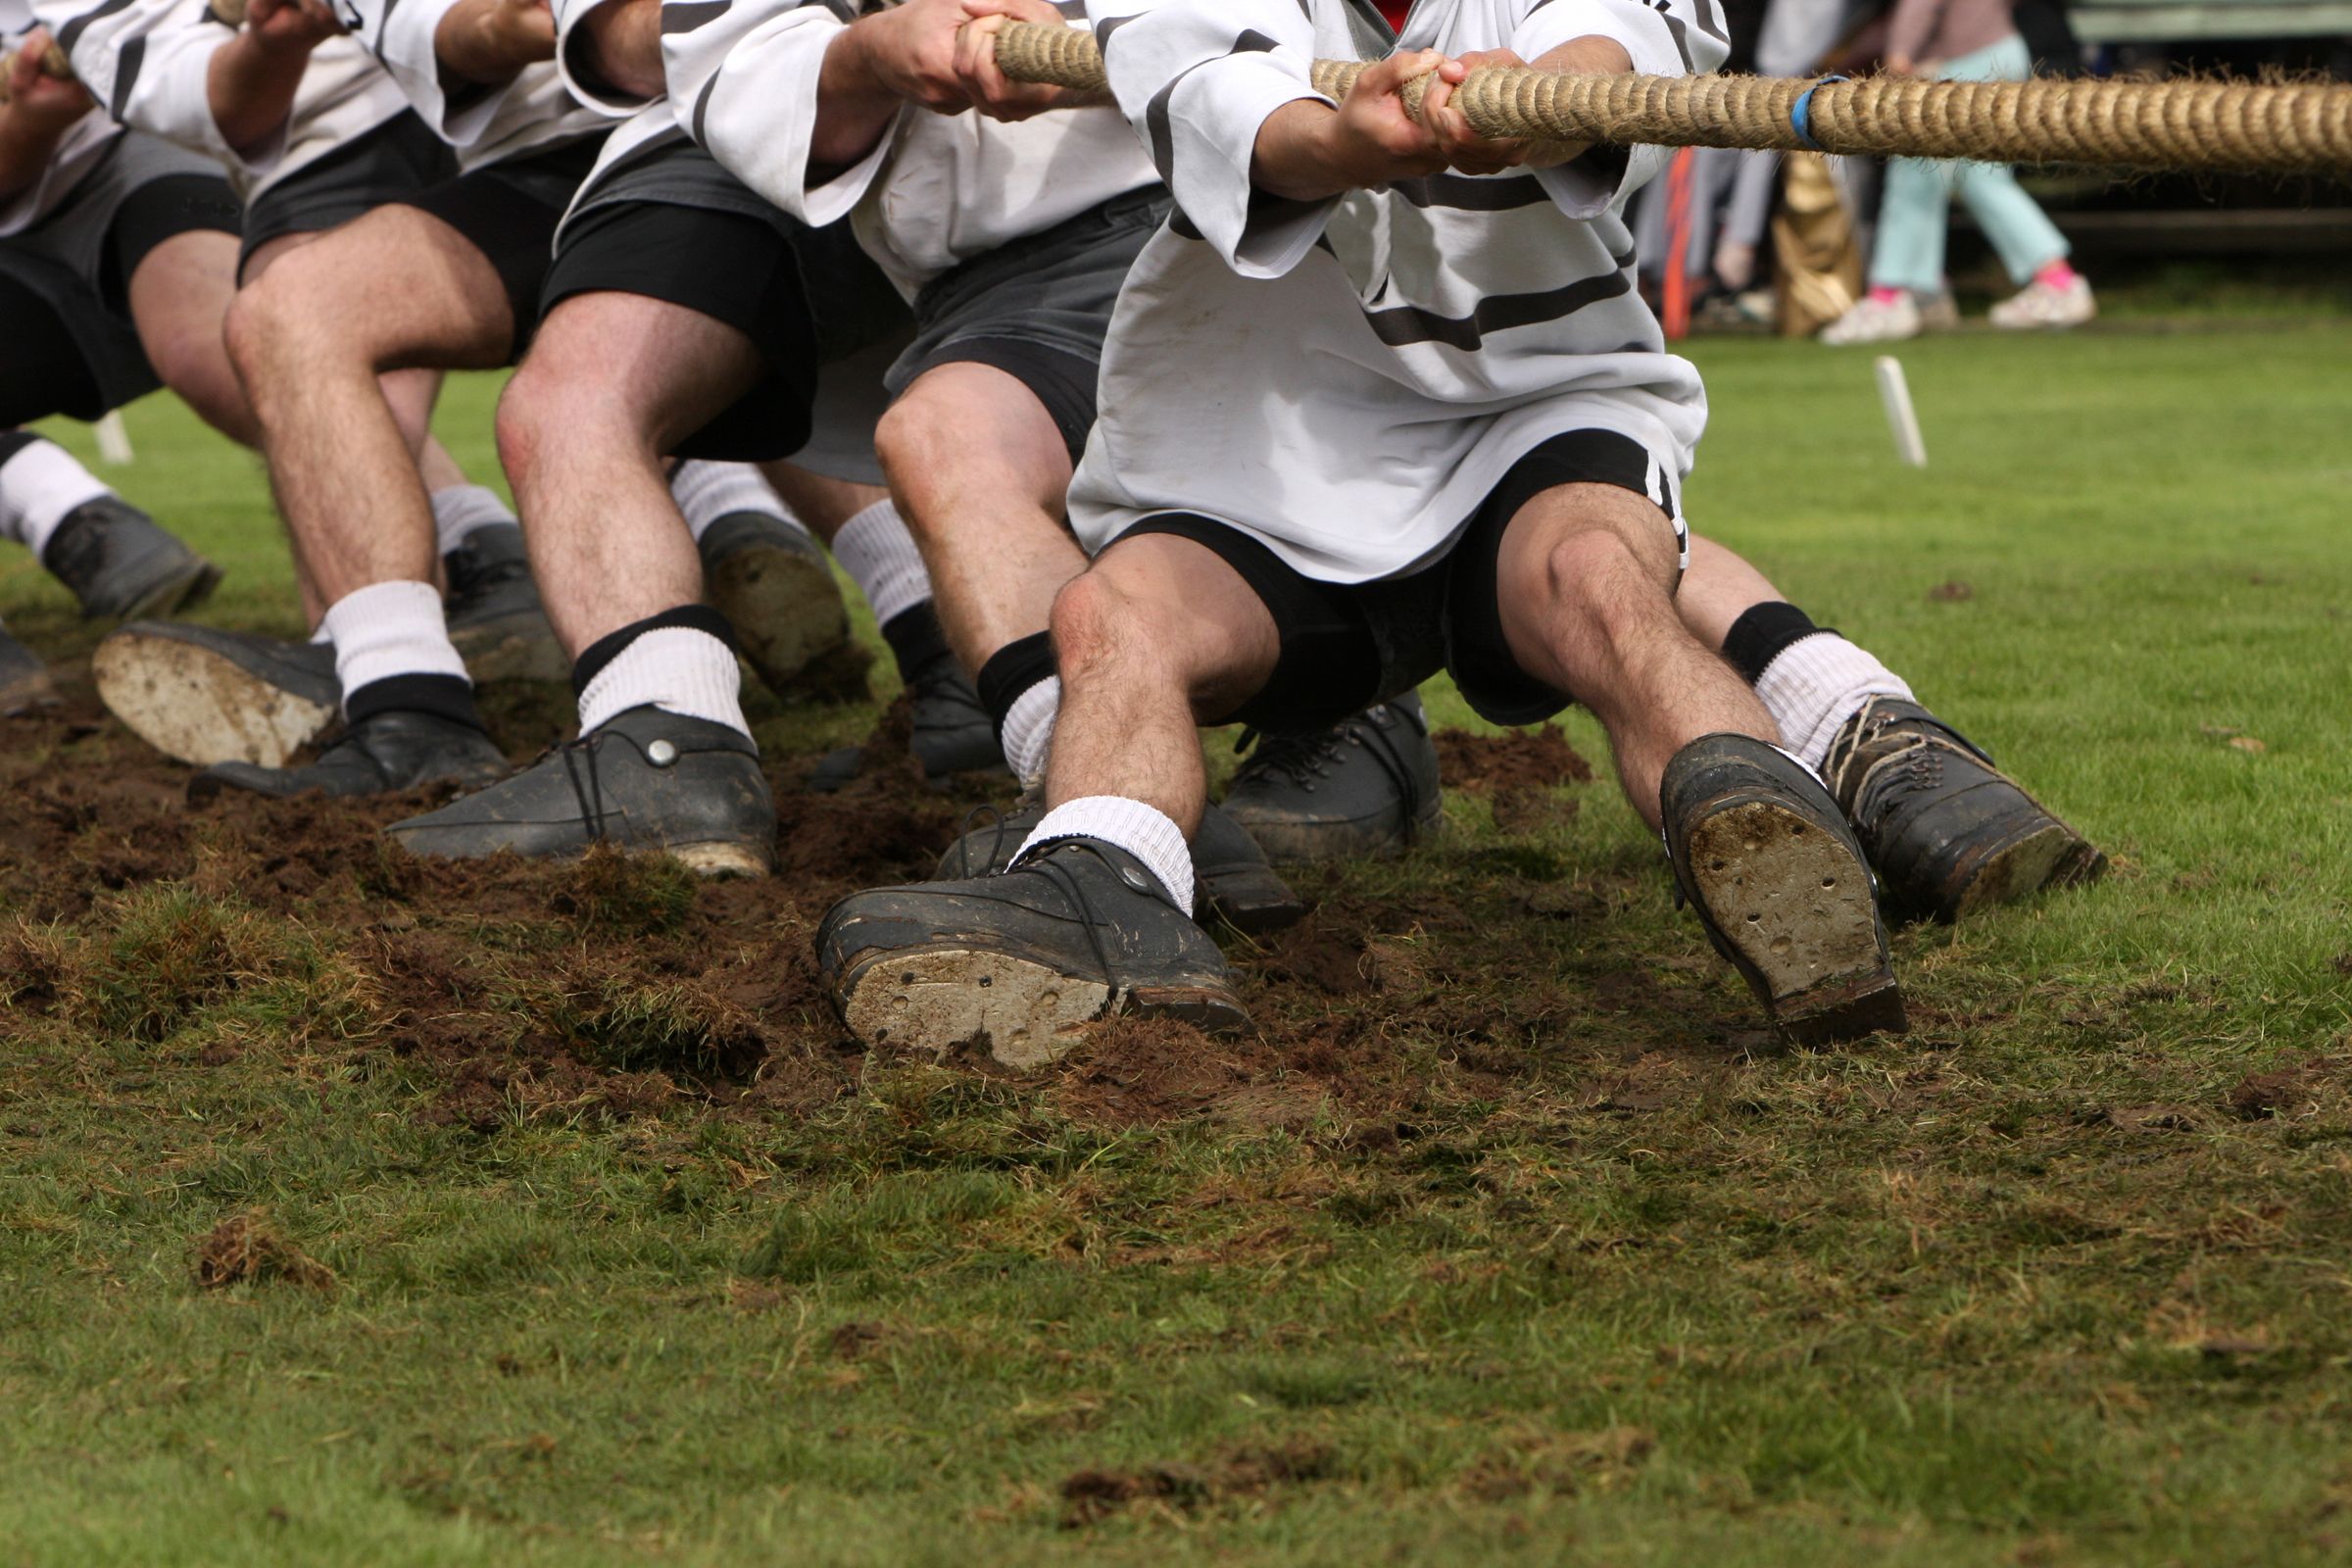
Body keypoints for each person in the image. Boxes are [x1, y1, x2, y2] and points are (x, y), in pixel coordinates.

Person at [813, 0, 1931, 1054]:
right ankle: (1101, 891)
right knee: (1111, 618)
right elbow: (1221, 97)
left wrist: (1539, 96)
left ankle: (1777, 843)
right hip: (1274, 444)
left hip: (1533, 401)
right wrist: (1346, 138)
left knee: (1602, 579)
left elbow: (1624, 35)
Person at [1819, 0, 2093, 344]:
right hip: (1992, 51)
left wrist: (1901, 52)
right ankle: (1921, 295)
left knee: (1917, 176)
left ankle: (1891, 297)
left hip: (1964, 62)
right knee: (1974, 178)